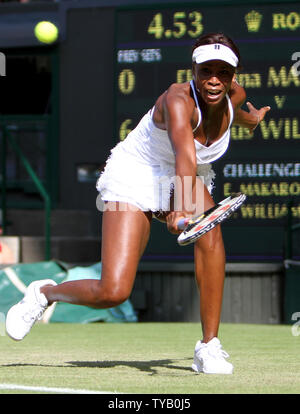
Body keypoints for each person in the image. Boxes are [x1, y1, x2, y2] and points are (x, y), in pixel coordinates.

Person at [5, 33, 270, 374]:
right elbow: (185, 157)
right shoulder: (178, 100)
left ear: (235, 74)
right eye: (206, 70)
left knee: (211, 237)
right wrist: (178, 211)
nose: (214, 78)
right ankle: (45, 294)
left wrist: (252, 121)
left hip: (183, 171)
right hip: (138, 171)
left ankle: (208, 347)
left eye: (223, 71)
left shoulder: (235, 95)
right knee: (113, 292)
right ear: (193, 69)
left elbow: (233, 116)